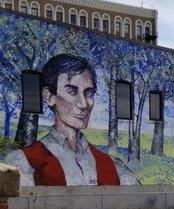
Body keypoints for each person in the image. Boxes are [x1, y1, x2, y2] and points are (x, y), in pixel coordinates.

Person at [5, 54, 139, 186]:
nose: (84, 104)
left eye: (89, 93)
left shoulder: (114, 165)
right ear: (50, 96)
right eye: (72, 92)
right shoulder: (23, 163)